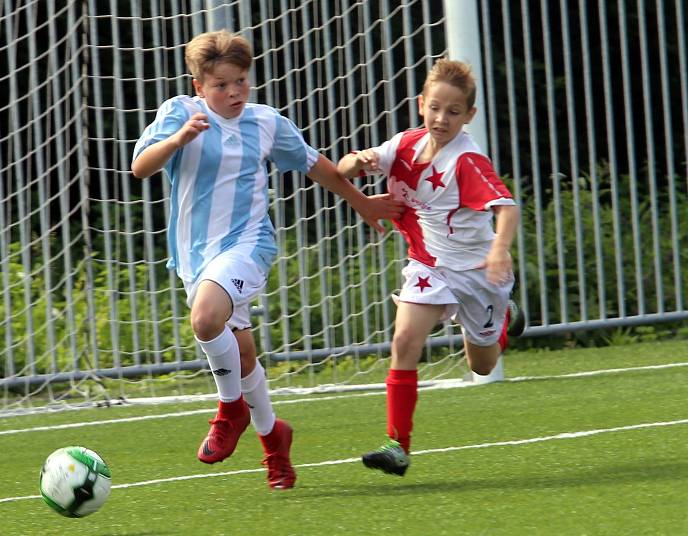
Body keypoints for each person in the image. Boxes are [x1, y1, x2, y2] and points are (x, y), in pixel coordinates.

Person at [131, 29, 404, 489]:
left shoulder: (267, 122)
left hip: (248, 245)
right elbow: (140, 167)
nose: (234, 91)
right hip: (195, 253)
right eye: (221, 84)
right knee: (239, 350)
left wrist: (363, 203)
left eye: (241, 80)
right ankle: (274, 441)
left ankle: (229, 410)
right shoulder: (181, 113)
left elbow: (317, 165)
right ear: (199, 86)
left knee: (205, 320)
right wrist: (178, 140)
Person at [336, 58, 524, 477]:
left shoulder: (467, 160)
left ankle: (504, 317)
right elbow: (343, 169)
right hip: (427, 265)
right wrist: (358, 161)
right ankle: (397, 445)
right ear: (422, 104)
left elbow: (507, 208)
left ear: (469, 115)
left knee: (482, 365)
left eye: (454, 112)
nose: (442, 118)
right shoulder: (403, 144)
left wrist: (500, 249)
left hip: (478, 272)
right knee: (404, 340)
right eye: (435, 108)